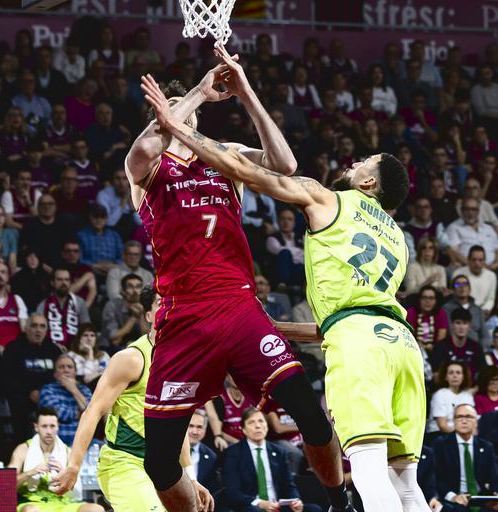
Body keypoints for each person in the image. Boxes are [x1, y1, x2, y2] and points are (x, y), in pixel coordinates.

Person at [137, 59, 383, 512]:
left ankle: (338, 503)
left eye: (184, 109)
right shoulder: (149, 164)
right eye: (169, 108)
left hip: (238, 307)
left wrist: (245, 91)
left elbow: (285, 164)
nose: (179, 113)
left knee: (309, 413)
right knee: (159, 463)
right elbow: (143, 150)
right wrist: (194, 93)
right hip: (183, 316)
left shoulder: (224, 154)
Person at [53, 288, 214, 510]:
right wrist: (74, 465)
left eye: (175, 303)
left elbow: (178, 425)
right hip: (125, 462)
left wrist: (190, 477)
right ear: (149, 316)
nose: (170, 308)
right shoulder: (132, 358)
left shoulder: (185, 362)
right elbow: (94, 410)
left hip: (165, 469)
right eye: (161, 303)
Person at [224, 407, 321, 512]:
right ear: (244, 429)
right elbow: (233, 492)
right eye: (251, 422)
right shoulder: (233, 453)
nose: (257, 426)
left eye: (261, 421)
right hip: (251, 506)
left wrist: (295, 500)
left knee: (314, 509)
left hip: (277, 506)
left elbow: (289, 485)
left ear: (266, 426)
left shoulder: (279, 452)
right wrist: (260, 503)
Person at [10, 408, 103, 512]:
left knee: (96, 509)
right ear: (36, 427)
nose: (49, 431)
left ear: (58, 427)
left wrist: (64, 474)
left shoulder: (67, 452)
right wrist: (31, 472)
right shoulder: (23, 449)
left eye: (52, 426)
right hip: (33, 502)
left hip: (62, 502)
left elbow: (76, 489)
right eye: (44, 426)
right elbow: (7, 483)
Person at [431, 404, 498, 512]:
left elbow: (496, 478)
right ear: (454, 421)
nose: (464, 421)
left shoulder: (486, 446)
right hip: (455, 498)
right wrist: (454, 497)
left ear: (476, 422)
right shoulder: (441, 444)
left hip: (480, 498)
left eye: (468, 417)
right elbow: (437, 479)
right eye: (459, 417)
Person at [0, 314, 61, 428]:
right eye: (34, 326)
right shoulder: (13, 348)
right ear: (25, 328)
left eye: (42, 326)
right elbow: (8, 377)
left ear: (46, 330)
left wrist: (45, 393)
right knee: (17, 402)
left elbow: (60, 375)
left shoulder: (54, 350)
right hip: (23, 396)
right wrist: (29, 392)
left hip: (50, 395)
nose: (38, 330)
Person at [39, 353, 93, 443]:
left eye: (70, 367)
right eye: (61, 367)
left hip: (81, 442)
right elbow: (57, 414)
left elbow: (91, 412)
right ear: (55, 374)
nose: (66, 370)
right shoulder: (47, 389)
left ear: (75, 372)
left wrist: (74, 389)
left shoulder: (83, 389)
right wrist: (79, 413)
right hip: (56, 442)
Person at [185, 408, 219, 496]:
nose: (194, 431)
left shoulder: (211, 457)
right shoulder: (171, 450)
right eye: (191, 426)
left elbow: (212, 489)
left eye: (199, 427)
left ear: (205, 430)